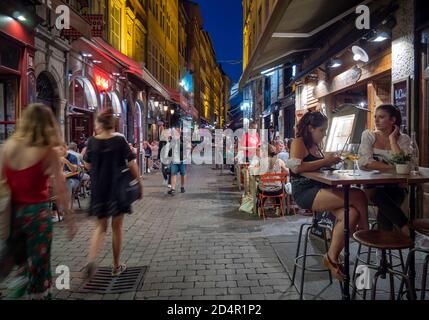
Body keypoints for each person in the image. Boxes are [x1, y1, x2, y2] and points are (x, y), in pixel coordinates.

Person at [0, 103, 76, 299]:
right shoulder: (47, 151)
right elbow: (60, 189)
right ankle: (39, 292)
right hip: (38, 216)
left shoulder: (7, 148)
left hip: (15, 214)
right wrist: (69, 218)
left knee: (19, 257)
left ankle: (24, 284)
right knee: (39, 261)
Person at [290, 111, 369, 281]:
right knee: (358, 195)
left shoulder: (316, 145)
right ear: (310, 128)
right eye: (322, 130)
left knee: (352, 213)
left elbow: (317, 165)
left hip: (321, 189)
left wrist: (330, 161)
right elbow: (296, 168)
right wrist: (326, 161)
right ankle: (365, 233)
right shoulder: (299, 142)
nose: (324, 134)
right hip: (305, 192)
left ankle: (331, 257)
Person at [84, 108, 143, 277]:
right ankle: (116, 266)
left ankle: (91, 259)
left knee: (100, 227)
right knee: (117, 227)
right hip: (117, 190)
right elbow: (132, 164)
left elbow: (87, 165)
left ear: (100, 125)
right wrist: (139, 184)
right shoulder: (119, 141)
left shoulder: (92, 142)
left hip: (99, 189)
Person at [358, 104, 412, 236]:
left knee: (386, 206)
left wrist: (392, 140)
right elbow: (364, 162)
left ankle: (382, 251)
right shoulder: (369, 135)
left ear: (392, 120)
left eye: (381, 117)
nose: (376, 120)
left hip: (396, 186)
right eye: (375, 117)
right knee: (380, 196)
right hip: (371, 187)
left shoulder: (403, 139)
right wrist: (394, 167)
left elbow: (406, 163)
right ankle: (406, 228)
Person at [257, 144, 288, 216]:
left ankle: (260, 207)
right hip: (277, 190)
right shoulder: (279, 161)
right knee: (277, 186)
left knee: (259, 187)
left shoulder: (261, 161)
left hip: (264, 191)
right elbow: (287, 172)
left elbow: (257, 173)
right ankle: (278, 207)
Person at [168, 127, 190, 196]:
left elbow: (188, 147)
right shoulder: (171, 141)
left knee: (183, 174)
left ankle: (182, 186)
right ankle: (173, 189)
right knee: (173, 174)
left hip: (182, 160)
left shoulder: (183, 140)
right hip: (174, 160)